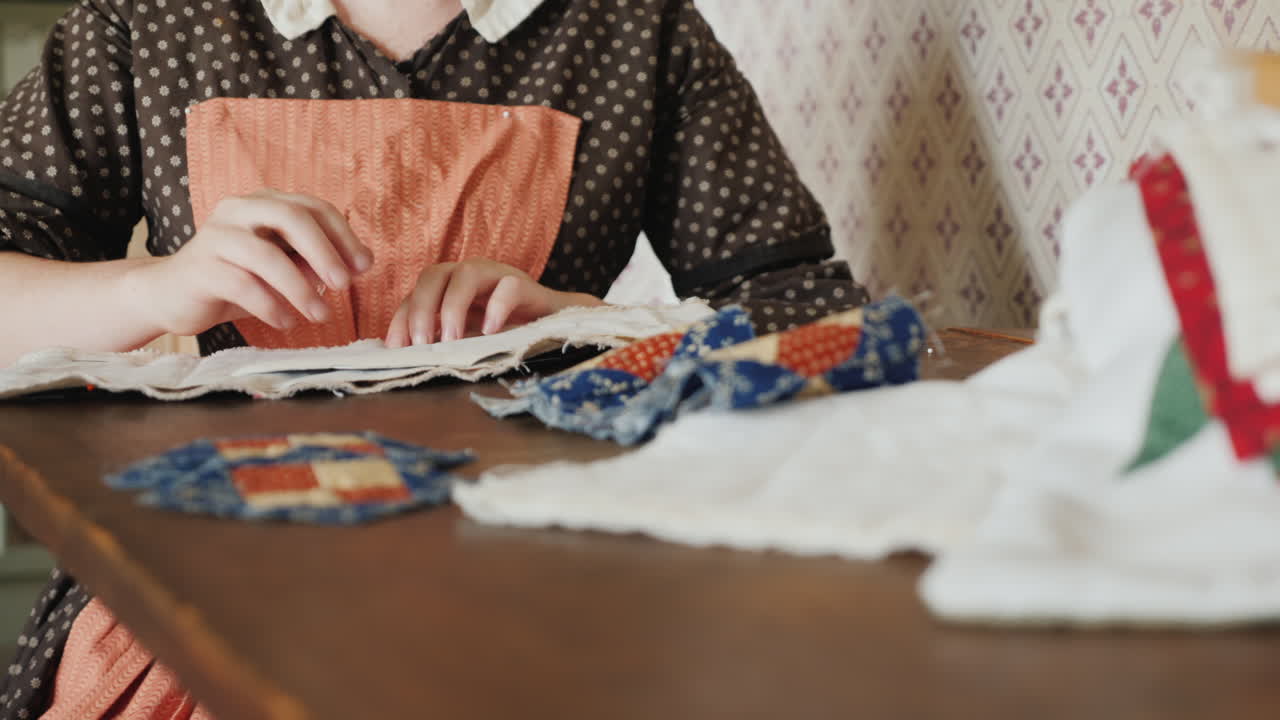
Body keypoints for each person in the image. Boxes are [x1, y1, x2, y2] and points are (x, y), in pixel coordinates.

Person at [0, 0, 870, 715]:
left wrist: (587, 323)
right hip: (215, 574)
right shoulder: (147, 21)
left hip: (544, 584)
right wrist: (157, 291)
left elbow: (819, 324)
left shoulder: (634, 26)